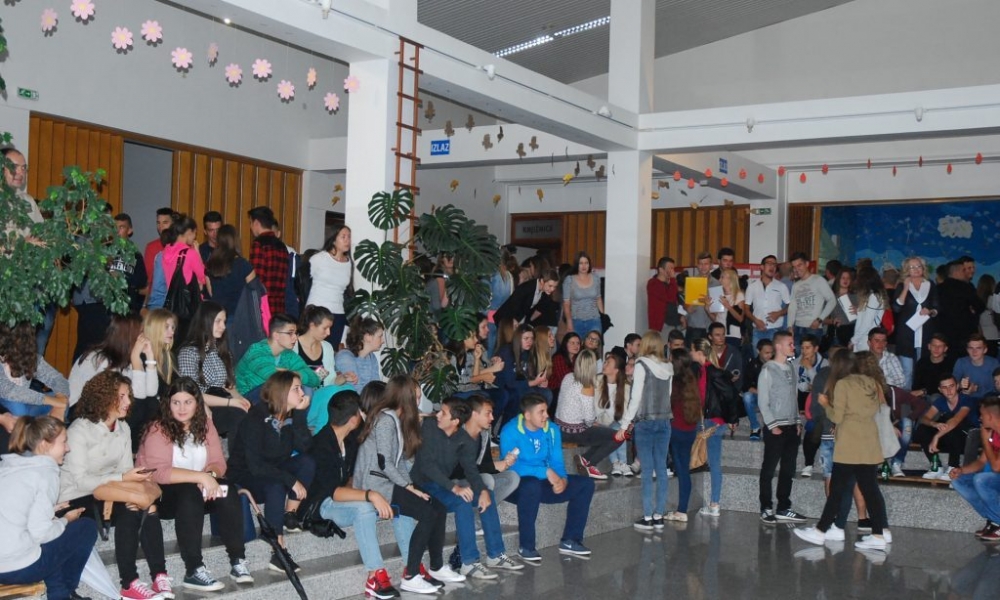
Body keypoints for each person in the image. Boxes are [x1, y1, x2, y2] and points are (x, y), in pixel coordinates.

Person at [59, 372, 170, 600]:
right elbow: (80, 480)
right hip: (76, 497)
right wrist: (122, 477)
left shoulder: (123, 428)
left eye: (128, 396)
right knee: (130, 506)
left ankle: (159, 575)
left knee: (147, 505)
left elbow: (125, 471)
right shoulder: (79, 430)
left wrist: (136, 477)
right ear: (103, 397)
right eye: (121, 396)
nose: (128, 402)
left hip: (109, 492)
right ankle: (129, 583)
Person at [136, 377, 251, 591]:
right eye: (176, 402)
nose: (182, 408)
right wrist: (200, 477)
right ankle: (193, 570)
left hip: (198, 489)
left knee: (227, 489)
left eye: (187, 402)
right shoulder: (157, 428)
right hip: (163, 494)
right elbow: (158, 472)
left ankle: (238, 560)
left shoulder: (205, 425)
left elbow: (218, 462)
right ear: (168, 404)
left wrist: (210, 475)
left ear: (197, 403)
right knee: (189, 492)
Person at [304, 389, 416, 599]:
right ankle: (375, 575)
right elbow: (333, 492)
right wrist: (371, 495)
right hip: (324, 504)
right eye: (361, 413)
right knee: (364, 508)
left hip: (347, 495)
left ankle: (413, 568)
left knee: (400, 500)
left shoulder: (350, 439)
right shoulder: (321, 445)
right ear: (353, 418)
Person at [354, 375, 460, 594]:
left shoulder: (396, 419)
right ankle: (411, 575)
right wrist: (408, 487)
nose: (418, 402)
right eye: (416, 397)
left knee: (437, 507)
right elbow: (385, 463)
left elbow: (401, 462)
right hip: (376, 484)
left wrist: (410, 485)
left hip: (388, 481)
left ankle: (436, 566)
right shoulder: (386, 420)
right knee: (427, 513)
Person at [411, 398, 521, 580]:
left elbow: (471, 470)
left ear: (455, 421)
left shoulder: (465, 440)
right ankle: (468, 562)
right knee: (462, 502)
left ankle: (495, 554)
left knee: (487, 495)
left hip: (444, 484)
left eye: (443, 413)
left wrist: (483, 491)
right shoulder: (430, 427)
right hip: (423, 484)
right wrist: (454, 488)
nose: (438, 415)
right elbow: (426, 466)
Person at [792, 350, 890, 551]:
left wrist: (826, 404)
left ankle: (820, 531)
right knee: (870, 490)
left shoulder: (844, 384)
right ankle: (879, 533)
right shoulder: (873, 383)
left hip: (849, 445)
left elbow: (836, 417)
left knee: (837, 490)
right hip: (869, 442)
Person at [0, 416, 97, 600]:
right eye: (63, 442)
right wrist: (66, 520)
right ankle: (64, 592)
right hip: (19, 568)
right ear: (44, 445)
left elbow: (15, 514)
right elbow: (42, 534)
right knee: (86, 528)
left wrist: (50, 510)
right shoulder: (44, 472)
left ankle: (60, 594)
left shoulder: (8, 467)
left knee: (53, 540)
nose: (68, 448)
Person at [228, 371, 315, 571]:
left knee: (307, 462)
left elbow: (305, 447)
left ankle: (289, 515)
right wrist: (289, 479)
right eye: (296, 389)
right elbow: (255, 465)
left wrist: (300, 415)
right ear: (282, 392)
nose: (302, 393)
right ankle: (278, 549)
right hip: (246, 473)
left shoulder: (289, 417)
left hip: (273, 468)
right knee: (276, 484)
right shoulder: (256, 417)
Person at [500, 393, 595, 563]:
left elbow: (557, 461)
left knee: (585, 484)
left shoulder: (551, 429)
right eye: (541, 412)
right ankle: (526, 547)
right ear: (527, 415)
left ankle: (571, 540)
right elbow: (511, 468)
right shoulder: (510, 431)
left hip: (542, 484)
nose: (546, 415)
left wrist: (563, 479)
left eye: (546, 411)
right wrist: (545, 472)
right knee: (531, 485)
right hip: (515, 486)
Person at [619, 331, 674, 530]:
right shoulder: (668, 366)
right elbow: (668, 396)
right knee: (661, 469)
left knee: (647, 470)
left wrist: (625, 425)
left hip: (645, 422)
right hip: (664, 422)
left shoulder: (641, 364)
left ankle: (648, 516)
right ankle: (659, 515)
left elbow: (635, 398)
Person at [176, 301, 251, 439]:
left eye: (224, 321)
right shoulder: (189, 353)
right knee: (237, 416)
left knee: (251, 412)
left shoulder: (221, 351)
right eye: (218, 321)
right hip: (201, 405)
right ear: (205, 322)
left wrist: (240, 399)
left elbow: (228, 386)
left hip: (223, 400)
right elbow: (192, 394)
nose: (223, 326)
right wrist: (231, 402)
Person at [758, 331, 809, 524]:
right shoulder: (768, 370)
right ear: (778, 346)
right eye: (790, 344)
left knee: (788, 469)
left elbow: (794, 398)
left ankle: (783, 507)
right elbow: (763, 402)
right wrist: (772, 426)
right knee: (769, 469)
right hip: (776, 426)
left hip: (791, 427)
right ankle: (765, 507)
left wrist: (797, 421)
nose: (793, 347)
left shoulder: (791, 368)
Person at [554, 350, 626, 480]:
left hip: (559, 428)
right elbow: (589, 420)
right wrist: (595, 423)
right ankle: (589, 463)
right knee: (617, 437)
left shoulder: (568, 376)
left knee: (602, 433)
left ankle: (585, 460)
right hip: (574, 432)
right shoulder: (587, 386)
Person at [68, 314, 157, 408]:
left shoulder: (128, 358)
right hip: (84, 410)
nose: (145, 336)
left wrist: (150, 355)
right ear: (129, 336)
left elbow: (151, 392)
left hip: (109, 408)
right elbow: (138, 398)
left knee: (152, 402)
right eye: (141, 332)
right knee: (139, 406)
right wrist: (135, 358)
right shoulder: (101, 360)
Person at [148, 215, 211, 338]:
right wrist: (198, 252)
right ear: (188, 232)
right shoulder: (190, 253)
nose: (195, 237)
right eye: (194, 233)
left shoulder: (165, 252)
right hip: (189, 306)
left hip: (172, 304)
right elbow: (204, 277)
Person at [234, 313, 321, 401]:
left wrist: (293, 373)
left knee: (306, 390)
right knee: (286, 389)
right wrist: (292, 374)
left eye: (296, 333)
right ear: (276, 335)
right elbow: (272, 377)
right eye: (290, 333)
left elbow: (315, 379)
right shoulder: (256, 351)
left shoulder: (288, 354)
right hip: (247, 399)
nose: (295, 338)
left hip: (273, 397)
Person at [949, 395, 1000, 542]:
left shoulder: (987, 434)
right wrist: (961, 470)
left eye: (982, 415)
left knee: (981, 480)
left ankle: (997, 521)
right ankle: (994, 520)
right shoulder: (992, 432)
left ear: (990, 416)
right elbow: (982, 461)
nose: (980, 418)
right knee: (958, 481)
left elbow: (996, 467)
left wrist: (985, 439)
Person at [913, 373, 977, 479]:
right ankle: (936, 466)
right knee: (922, 429)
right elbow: (924, 418)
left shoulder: (966, 400)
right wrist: (934, 423)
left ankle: (953, 466)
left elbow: (955, 420)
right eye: (944, 387)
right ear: (940, 390)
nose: (949, 390)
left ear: (957, 386)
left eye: (951, 386)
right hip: (948, 438)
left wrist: (936, 436)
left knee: (952, 424)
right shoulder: (940, 401)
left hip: (967, 439)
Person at [0, 322, 70, 418]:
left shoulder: (28, 356)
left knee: (63, 401)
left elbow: (57, 379)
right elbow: (9, 391)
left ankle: (46, 425)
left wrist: (60, 400)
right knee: (18, 408)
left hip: (27, 404)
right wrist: (51, 401)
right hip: (5, 408)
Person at [893, 256, 939, 384]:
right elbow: (896, 308)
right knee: (907, 371)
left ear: (923, 268)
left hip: (925, 333)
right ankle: (905, 395)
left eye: (919, 266)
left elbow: (937, 307)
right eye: (912, 267)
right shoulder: (902, 285)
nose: (916, 269)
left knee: (921, 370)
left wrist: (930, 311)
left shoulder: (930, 284)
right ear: (906, 270)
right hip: (907, 334)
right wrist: (906, 288)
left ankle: (920, 394)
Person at [307, 225, 353, 347]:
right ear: (333, 239)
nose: (347, 240)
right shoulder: (319, 258)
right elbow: (304, 282)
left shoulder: (348, 262)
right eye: (343, 237)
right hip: (317, 312)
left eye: (349, 237)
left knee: (331, 350)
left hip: (338, 313)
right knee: (313, 348)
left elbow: (347, 290)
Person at [497, 324, 551, 423]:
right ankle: (510, 425)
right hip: (505, 386)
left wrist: (539, 381)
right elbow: (509, 382)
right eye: (526, 338)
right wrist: (534, 382)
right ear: (518, 338)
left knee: (547, 393)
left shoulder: (528, 352)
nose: (529, 341)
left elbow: (528, 376)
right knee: (525, 394)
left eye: (531, 339)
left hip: (521, 384)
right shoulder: (507, 351)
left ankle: (534, 422)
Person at [204, 225, 256, 319]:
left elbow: (211, 293)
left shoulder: (210, 264)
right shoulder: (244, 265)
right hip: (239, 316)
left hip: (218, 315)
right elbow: (253, 293)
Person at [787, 252, 837, 347]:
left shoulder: (818, 280)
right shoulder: (796, 285)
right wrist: (790, 326)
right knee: (797, 354)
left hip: (813, 327)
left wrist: (819, 320)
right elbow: (792, 307)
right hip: (797, 327)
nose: (797, 269)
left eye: (799, 265)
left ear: (807, 264)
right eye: (794, 267)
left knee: (810, 355)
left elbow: (832, 300)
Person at [938, 260, 985, 358]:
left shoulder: (938, 288)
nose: (966, 272)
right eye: (963, 270)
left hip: (944, 333)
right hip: (965, 333)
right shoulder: (966, 287)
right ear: (956, 272)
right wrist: (972, 312)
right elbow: (980, 306)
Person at [248, 206, 289, 316]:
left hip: (262, 306)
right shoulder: (282, 246)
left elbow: (256, 280)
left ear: (256, 223)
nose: (250, 227)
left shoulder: (258, 244)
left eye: (250, 223)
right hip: (279, 306)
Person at [745, 255, 791, 355]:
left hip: (775, 330)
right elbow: (746, 309)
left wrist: (779, 313)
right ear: (762, 267)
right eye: (769, 264)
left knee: (775, 359)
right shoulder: (752, 286)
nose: (772, 267)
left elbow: (790, 306)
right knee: (758, 358)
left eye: (774, 264)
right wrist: (755, 320)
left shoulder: (781, 286)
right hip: (757, 330)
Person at [595, 352, 631, 476]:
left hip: (616, 422)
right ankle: (620, 463)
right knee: (613, 429)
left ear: (616, 370)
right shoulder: (597, 381)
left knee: (617, 428)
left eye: (608, 363)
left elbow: (625, 412)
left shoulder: (625, 387)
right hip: (599, 421)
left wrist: (624, 426)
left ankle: (619, 463)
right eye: (605, 362)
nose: (604, 365)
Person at [494, 268, 560, 329]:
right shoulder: (527, 288)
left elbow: (537, 309)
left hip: (519, 321)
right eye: (550, 286)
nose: (552, 289)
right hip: (505, 321)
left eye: (555, 287)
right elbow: (513, 306)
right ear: (542, 281)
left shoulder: (544, 293)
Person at [334, 317, 385, 393]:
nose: (383, 341)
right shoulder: (345, 357)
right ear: (368, 337)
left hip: (367, 398)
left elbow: (375, 386)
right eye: (380, 336)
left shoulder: (372, 357)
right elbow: (355, 390)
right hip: (350, 399)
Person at [561, 251, 604, 336]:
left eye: (586, 263)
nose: (584, 266)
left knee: (594, 343)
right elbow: (566, 303)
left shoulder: (596, 278)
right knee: (577, 344)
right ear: (577, 264)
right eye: (581, 263)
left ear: (589, 264)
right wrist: (569, 321)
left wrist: (603, 317)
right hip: (576, 320)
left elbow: (599, 299)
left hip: (594, 319)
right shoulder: (569, 280)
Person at [685, 252, 723, 344]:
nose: (703, 267)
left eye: (706, 264)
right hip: (694, 327)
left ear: (711, 266)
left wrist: (708, 306)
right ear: (697, 266)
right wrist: (697, 300)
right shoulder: (691, 282)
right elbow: (689, 309)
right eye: (700, 264)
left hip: (710, 329)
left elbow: (717, 313)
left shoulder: (717, 284)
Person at [742, 339, 774, 440]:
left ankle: (770, 425)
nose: (769, 355)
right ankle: (755, 427)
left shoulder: (776, 364)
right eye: (766, 353)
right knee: (747, 396)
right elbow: (745, 386)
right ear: (758, 351)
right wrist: (761, 392)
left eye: (771, 352)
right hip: (758, 396)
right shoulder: (752, 365)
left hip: (773, 397)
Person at [143, 208, 175, 302]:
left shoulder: (182, 246)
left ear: (173, 224)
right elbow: (149, 278)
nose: (160, 226)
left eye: (165, 222)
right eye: (158, 223)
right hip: (157, 299)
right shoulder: (151, 247)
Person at [953, 334, 1000, 400]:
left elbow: (997, 387)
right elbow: (952, 384)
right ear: (967, 349)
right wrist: (963, 386)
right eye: (971, 348)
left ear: (985, 350)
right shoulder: (961, 362)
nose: (974, 352)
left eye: (978, 348)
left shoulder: (994, 363)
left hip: (989, 399)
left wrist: (976, 388)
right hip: (968, 399)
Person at [911, 334, 955, 400]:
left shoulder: (950, 364)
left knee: (935, 398)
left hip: (940, 396)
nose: (936, 349)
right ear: (929, 346)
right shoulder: (922, 362)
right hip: (921, 395)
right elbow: (916, 384)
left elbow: (945, 387)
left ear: (945, 349)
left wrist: (924, 391)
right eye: (934, 345)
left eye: (940, 346)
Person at [647, 257, 683, 336]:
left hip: (675, 322)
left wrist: (681, 316)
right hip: (662, 325)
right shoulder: (653, 283)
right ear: (661, 270)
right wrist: (673, 279)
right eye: (670, 268)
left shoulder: (670, 284)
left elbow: (675, 301)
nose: (672, 271)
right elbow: (670, 298)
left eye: (673, 268)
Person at [824, 267, 857, 349]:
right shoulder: (831, 298)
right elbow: (822, 319)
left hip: (853, 331)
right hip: (836, 332)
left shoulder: (856, 296)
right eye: (843, 278)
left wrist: (859, 311)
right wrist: (832, 321)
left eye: (848, 278)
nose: (846, 280)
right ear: (838, 279)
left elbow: (864, 317)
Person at [548, 332, 581, 400]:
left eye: (578, 343)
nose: (576, 346)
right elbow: (565, 380)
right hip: (556, 389)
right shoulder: (558, 358)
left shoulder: (577, 358)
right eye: (572, 343)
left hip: (570, 388)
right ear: (565, 344)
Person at [717, 268, 746, 344]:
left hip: (733, 334)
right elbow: (716, 318)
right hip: (719, 333)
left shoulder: (739, 295)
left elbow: (740, 318)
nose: (719, 280)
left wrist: (728, 306)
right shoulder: (719, 295)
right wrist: (707, 308)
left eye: (722, 277)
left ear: (730, 279)